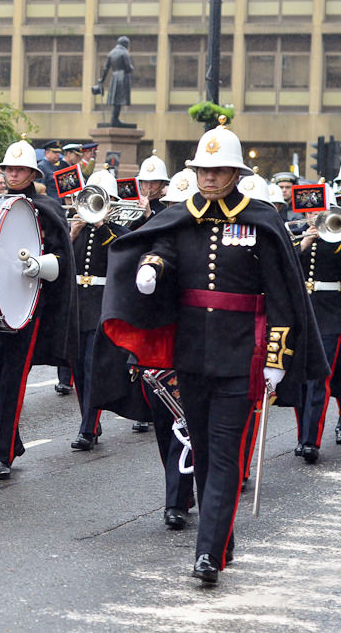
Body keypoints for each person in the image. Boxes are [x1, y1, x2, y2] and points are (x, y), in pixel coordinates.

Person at [94, 119, 327, 584]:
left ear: (235, 173)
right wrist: (150, 267)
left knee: (223, 455)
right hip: (191, 355)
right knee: (201, 451)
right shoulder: (182, 214)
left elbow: (283, 296)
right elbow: (161, 245)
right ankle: (221, 537)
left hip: (243, 357)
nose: (209, 178)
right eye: (203, 169)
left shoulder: (261, 219)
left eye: (219, 170)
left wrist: (277, 360)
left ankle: (208, 555)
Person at [0, 136, 78, 480]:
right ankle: (11, 440)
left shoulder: (46, 209)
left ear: (32, 172)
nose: (14, 173)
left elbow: (62, 259)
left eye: (21, 168)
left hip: (29, 305)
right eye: (10, 168)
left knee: (13, 380)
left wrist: (39, 265)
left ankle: (2, 454)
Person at [68, 167, 130, 451]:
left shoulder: (118, 233)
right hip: (78, 304)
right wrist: (71, 234)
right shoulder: (76, 230)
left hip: (103, 304)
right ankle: (89, 419)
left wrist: (102, 226)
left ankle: (88, 429)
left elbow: (120, 255)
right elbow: (62, 261)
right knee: (78, 368)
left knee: (93, 367)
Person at [294, 188, 341, 464]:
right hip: (304, 313)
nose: (314, 216)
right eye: (310, 211)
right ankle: (303, 436)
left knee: (319, 379)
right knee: (301, 380)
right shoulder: (299, 235)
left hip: (332, 312)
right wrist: (304, 242)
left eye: (319, 211)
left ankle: (312, 440)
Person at [94, 36, 134, 127]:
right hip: (122, 77)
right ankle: (115, 119)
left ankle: (114, 118)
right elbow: (128, 67)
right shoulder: (124, 52)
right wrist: (132, 69)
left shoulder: (111, 53)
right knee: (119, 100)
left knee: (116, 100)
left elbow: (106, 68)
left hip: (114, 77)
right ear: (125, 44)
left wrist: (102, 79)